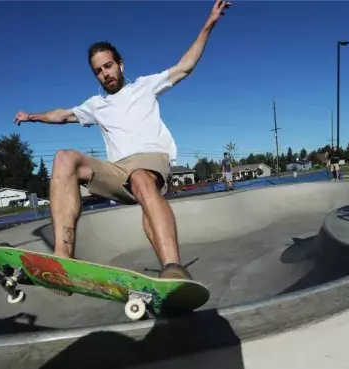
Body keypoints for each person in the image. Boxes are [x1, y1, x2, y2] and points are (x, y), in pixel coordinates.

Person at [12, 0, 233, 292]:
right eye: (98, 71)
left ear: (120, 64)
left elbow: (185, 67)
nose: (105, 74)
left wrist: (209, 24)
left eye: (108, 66)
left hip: (151, 161)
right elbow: (63, 115)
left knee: (141, 177)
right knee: (64, 157)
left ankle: (173, 269)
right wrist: (33, 117)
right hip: (118, 171)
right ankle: (62, 258)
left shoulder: (145, 85)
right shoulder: (95, 105)